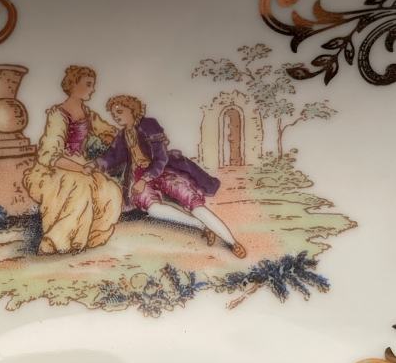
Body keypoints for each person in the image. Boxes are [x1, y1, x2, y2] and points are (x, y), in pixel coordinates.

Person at [94, 95, 246, 258]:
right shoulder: (123, 135)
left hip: (163, 170)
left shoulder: (149, 125)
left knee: (192, 201)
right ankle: (201, 226)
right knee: (153, 209)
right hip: (138, 176)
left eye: (119, 111)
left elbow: (161, 157)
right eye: (113, 113)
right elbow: (112, 156)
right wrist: (95, 165)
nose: (115, 116)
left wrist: (145, 179)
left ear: (132, 109)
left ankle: (232, 242)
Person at [24, 66, 123, 255]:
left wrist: (122, 137)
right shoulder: (57, 114)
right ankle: (55, 240)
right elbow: (49, 155)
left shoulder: (88, 113)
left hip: (81, 166)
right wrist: (79, 168)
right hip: (53, 170)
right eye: (88, 84)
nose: (92, 89)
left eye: (92, 85)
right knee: (81, 186)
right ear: (73, 84)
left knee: (110, 190)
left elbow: (110, 132)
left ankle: (90, 236)